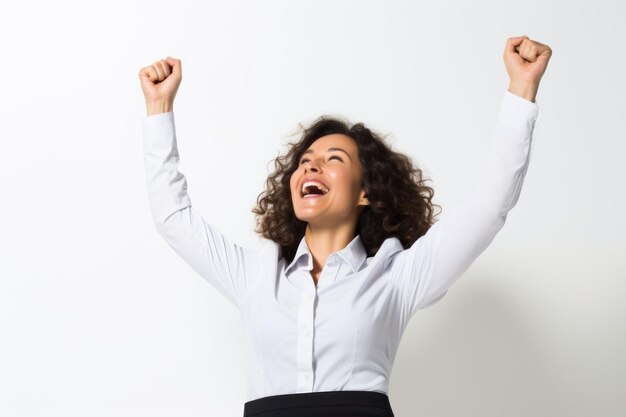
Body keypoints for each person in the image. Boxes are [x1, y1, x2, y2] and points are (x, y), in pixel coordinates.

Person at [138, 35, 552, 417]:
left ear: (365, 192)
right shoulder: (255, 276)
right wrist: (159, 110)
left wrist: (521, 90)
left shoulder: (395, 277)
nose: (311, 165)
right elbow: (173, 218)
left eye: (334, 158)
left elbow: (487, 208)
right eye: (304, 161)